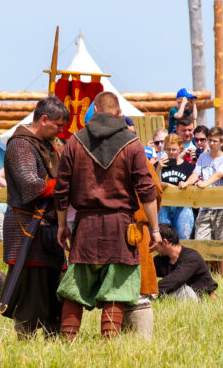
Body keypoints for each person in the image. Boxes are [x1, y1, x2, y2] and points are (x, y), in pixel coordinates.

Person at [56, 91, 159, 341]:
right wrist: (155, 229)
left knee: (74, 289)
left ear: (95, 110)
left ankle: (66, 344)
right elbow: (147, 190)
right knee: (117, 288)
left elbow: (62, 189)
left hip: (85, 227)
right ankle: (109, 345)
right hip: (120, 227)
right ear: (119, 113)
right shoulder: (132, 144)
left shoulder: (75, 141)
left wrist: (62, 226)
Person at [1, 97, 69, 338]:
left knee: (55, 293)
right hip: (27, 229)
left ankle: (53, 342)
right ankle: (25, 344)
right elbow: (31, 185)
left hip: (48, 230)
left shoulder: (46, 145)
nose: (60, 131)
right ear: (44, 119)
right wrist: (65, 183)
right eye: (58, 125)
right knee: (30, 295)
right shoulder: (20, 145)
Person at [183, 127, 223, 253]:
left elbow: (218, 175)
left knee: (220, 243)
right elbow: (195, 173)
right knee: (200, 242)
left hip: (220, 206)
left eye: (215, 141)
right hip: (204, 206)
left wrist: (204, 183)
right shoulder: (203, 157)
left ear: (221, 142)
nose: (211, 143)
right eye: (210, 140)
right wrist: (186, 183)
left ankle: (222, 273)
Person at [153, 223, 218, 299]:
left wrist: (152, 291)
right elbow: (147, 270)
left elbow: (176, 279)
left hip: (200, 296)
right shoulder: (163, 258)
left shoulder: (192, 257)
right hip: (181, 293)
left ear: (164, 242)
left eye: (155, 242)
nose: (153, 246)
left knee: (177, 288)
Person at [156, 134, 196, 241]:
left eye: (174, 149)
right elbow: (155, 184)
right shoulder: (158, 165)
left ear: (180, 149)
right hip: (164, 206)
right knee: (165, 241)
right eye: (168, 149)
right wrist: (159, 168)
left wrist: (186, 183)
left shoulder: (187, 166)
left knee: (183, 240)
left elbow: (193, 181)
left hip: (182, 206)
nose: (171, 152)